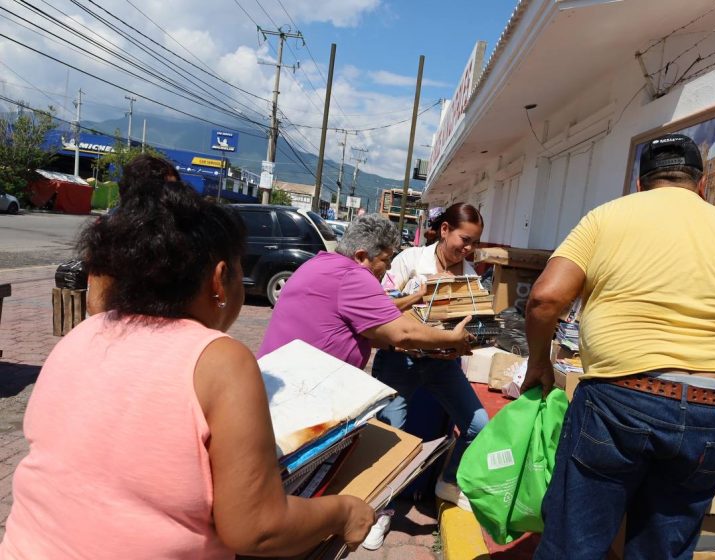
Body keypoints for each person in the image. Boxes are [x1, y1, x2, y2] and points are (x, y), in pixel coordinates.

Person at [1, 178, 375, 558]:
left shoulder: (84, 334)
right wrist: (344, 512)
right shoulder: (221, 361)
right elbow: (258, 529)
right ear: (219, 280)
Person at [523, 133, 715, 560]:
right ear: (701, 184)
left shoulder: (607, 217)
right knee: (663, 549)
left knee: (575, 543)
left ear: (640, 184)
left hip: (622, 399)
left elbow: (545, 299)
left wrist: (539, 362)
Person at [373, 202, 489, 511]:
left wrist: (469, 340)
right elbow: (380, 308)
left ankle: (448, 482)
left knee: (479, 425)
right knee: (390, 437)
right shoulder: (410, 261)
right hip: (400, 361)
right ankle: (381, 509)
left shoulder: (470, 276)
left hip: (442, 365)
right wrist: (414, 302)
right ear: (445, 230)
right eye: (465, 239)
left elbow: (473, 325)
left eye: (474, 242)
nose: (469, 248)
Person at [257, 213, 474, 367]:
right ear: (361, 256)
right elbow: (404, 334)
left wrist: (396, 345)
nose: (389, 267)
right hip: (300, 393)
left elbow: (359, 332)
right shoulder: (354, 276)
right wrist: (452, 338)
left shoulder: (319, 263)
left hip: (279, 379)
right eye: (385, 259)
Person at [87, 154, 182, 316]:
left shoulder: (184, 231)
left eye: (177, 189)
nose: (175, 197)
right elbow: (97, 304)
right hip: (122, 327)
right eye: (168, 190)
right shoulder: (110, 231)